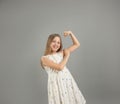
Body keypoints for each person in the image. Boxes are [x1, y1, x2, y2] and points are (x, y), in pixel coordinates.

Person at [40, 31, 86, 104]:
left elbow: (77, 44)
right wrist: (67, 55)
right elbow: (60, 67)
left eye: (58, 42)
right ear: (49, 43)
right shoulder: (44, 58)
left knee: (70, 99)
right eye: (54, 41)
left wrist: (71, 33)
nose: (56, 44)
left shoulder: (62, 53)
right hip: (56, 84)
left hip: (67, 81)